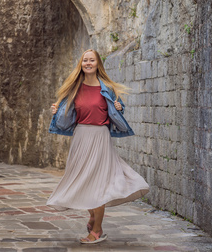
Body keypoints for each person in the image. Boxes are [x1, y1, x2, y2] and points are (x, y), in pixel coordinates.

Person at [47, 49, 150, 244]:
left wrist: (120, 108)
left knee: (99, 182)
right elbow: (62, 110)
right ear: (81, 64)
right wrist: (56, 110)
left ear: (97, 64)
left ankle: (97, 230)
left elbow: (117, 108)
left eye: (91, 60)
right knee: (83, 179)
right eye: (85, 60)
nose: (88, 63)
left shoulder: (107, 88)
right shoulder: (74, 88)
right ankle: (93, 214)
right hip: (80, 137)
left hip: (100, 137)